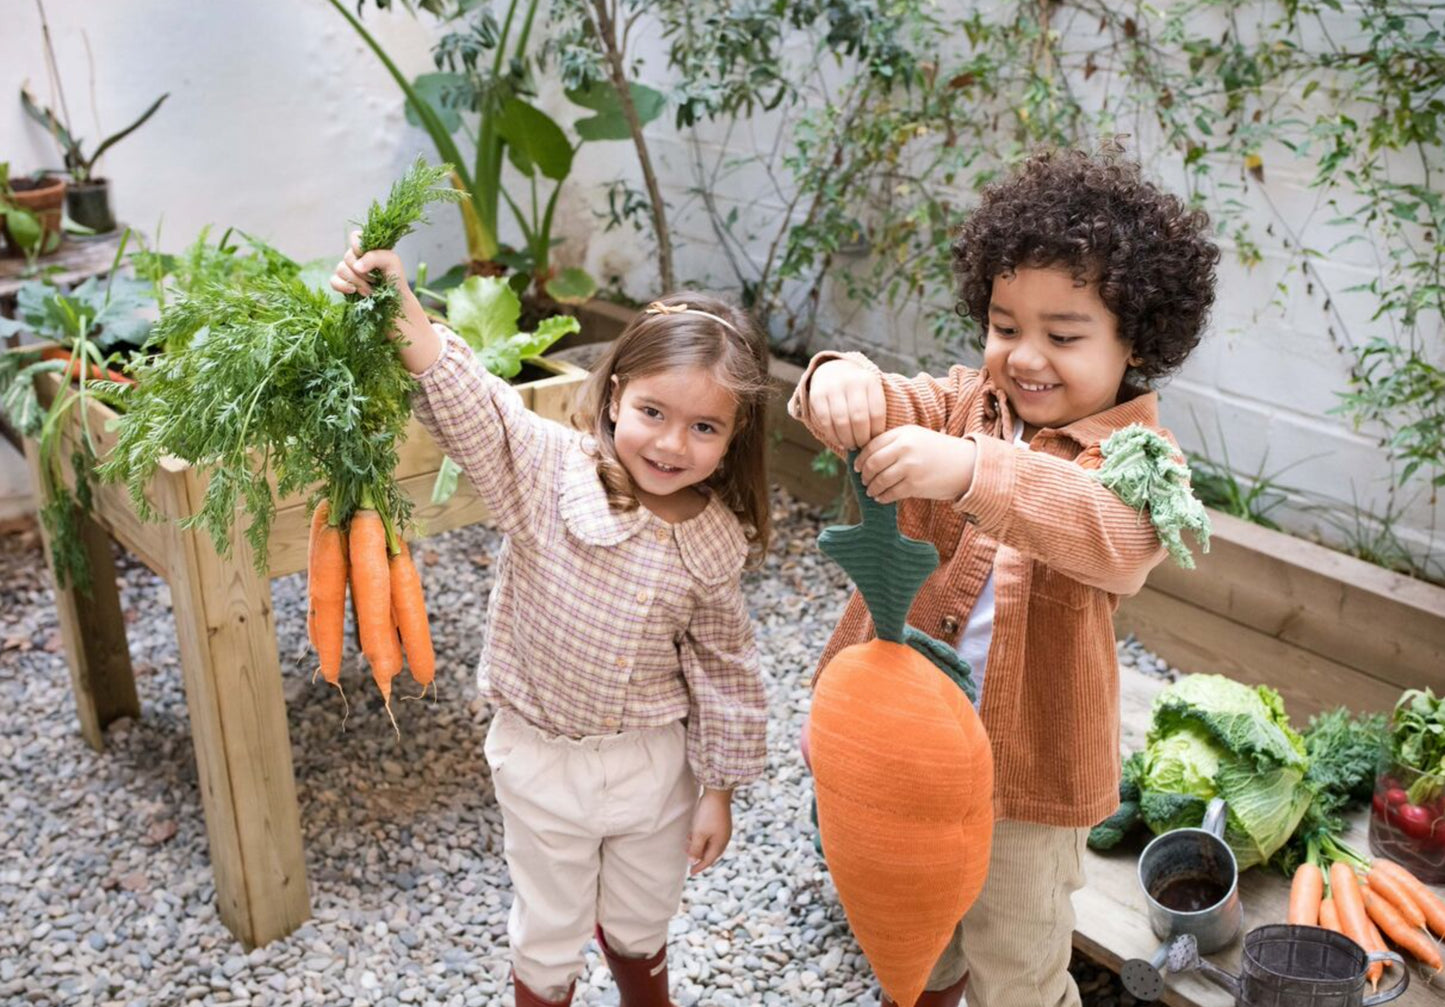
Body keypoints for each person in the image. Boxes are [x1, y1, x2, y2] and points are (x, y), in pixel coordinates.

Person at [789, 146, 1220, 1007]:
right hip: (906, 741)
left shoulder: (1138, 461)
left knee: (1015, 958)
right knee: (915, 928)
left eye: (1062, 335)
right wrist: (836, 382)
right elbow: (875, 403)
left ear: (1135, 338)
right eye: (1003, 324)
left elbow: (1111, 537)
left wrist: (969, 473)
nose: (1024, 356)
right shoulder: (960, 402)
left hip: (1026, 775)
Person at [330, 242, 773, 1007]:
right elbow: (475, 403)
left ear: (736, 438)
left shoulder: (711, 538)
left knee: (643, 909)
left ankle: (645, 988)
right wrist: (397, 301)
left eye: (704, 428)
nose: (671, 443)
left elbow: (726, 670)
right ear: (613, 396)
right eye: (653, 413)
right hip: (540, 759)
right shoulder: (547, 473)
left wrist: (718, 789)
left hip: (651, 767)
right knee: (548, 924)